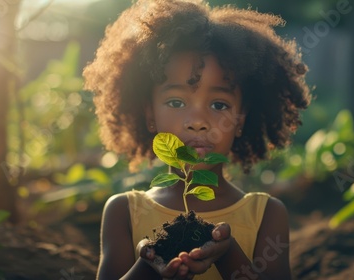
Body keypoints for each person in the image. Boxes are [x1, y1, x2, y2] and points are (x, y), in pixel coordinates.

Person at [83, 0, 311, 279]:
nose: (198, 121)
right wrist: (148, 265)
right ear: (149, 114)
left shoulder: (266, 216)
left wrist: (227, 254)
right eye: (177, 102)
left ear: (240, 119)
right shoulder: (123, 211)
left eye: (219, 105)